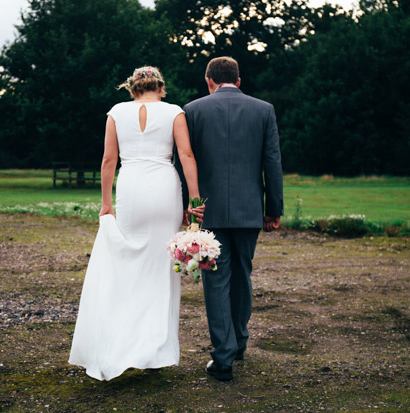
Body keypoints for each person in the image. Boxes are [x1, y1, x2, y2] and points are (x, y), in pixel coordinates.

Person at [69, 66, 203, 381]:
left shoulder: (116, 112)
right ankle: (154, 352)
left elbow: (107, 160)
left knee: (130, 263)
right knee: (160, 267)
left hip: (130, 189)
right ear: (161, 87)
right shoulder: (174, 112)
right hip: (163, 188)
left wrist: (105, 205)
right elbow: (186, 156)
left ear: (133, 88)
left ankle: (123, 344)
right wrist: (194, 201)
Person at [179, 56, 284, 381]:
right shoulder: (264, 109)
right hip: (249, 211)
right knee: (242, 275)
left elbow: (184, 162)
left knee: (216, 280)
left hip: (207, 212)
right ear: (238, 81)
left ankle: (223, 357)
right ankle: (238, 344)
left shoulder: (192, 110)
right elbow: (272, 162)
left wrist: (187, 205)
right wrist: (273, 209)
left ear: (209, 81)